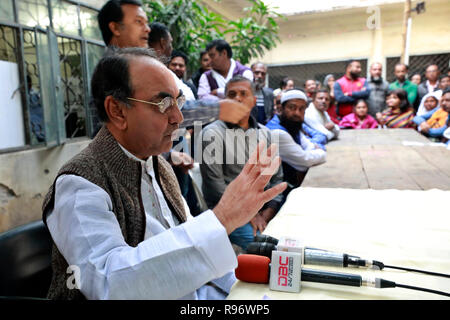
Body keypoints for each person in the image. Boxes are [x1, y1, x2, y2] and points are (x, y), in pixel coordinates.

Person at [42, 47, 286, 300]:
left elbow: (195, 246)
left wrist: (243, 295)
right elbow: (108, 285)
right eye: (164, 103)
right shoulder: (80, 184)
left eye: (179, 102)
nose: (178, 118)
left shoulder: (157, 164)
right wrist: (222, 218)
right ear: (117, 111)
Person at [97, 0, 253, 132]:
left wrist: (170, 155)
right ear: (115, 28)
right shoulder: (117, 70)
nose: (147, 29)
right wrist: (218, 108)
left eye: (146, 23)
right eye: (139, 22)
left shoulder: (130, 64)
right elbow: (160, 111)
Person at [199, 75, 284, 251]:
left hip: (263, 210)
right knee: (266, 250)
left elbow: (276, 178)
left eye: (243, 94)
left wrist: (266, 215)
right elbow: (215, 187)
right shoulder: (211, 134)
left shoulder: (266, 134)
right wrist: (251, 213)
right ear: (224, 101)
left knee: (289, 239)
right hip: (228, 212)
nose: (237, 98)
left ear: (253, 101)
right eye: (231, 94)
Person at [266, 89, 326, 189]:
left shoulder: (291, 124)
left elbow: (308, 146)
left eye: (301, 109)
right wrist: (321, 152)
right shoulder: (277, 132)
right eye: (292, 107)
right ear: (281, 108)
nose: (297, 113)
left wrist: (309, 153)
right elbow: (304, 163)